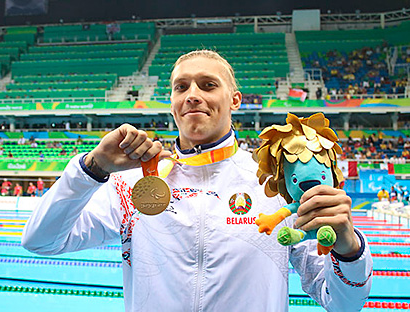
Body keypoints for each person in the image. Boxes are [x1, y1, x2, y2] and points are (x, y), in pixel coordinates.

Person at [22, 50, 372, 311]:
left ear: (234, 99)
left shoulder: (274, 181)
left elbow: (343, 303)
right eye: (181, 87)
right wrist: (91, 169)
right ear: (172, 103)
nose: (192, 94)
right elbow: (41, 241)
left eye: (208, 85)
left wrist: (348, 247)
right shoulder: (133, 183)